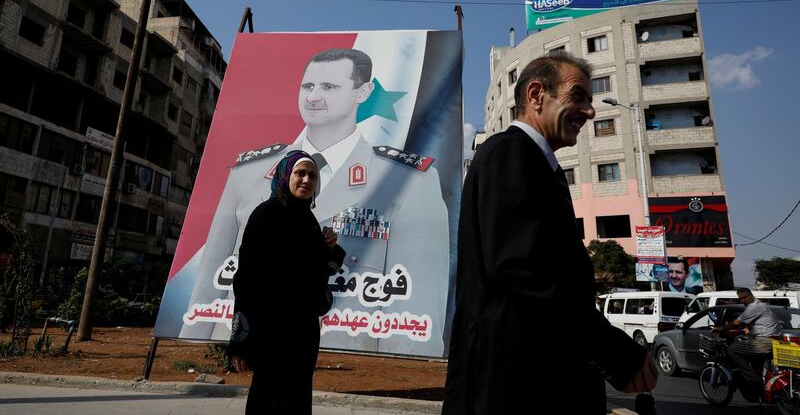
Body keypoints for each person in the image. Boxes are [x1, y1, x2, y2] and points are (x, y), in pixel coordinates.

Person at [182, 48, 449, 357]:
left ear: (363, 92)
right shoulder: (248, 172)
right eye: (308, 86)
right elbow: (212, 283)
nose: (313, 96)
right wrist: (218, 343)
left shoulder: (410, 182)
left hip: (329, 340)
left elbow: (415, 311)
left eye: (329, 87)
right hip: (262, 333)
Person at [442, 51, 658, 414]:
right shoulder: (509, 152)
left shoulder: (537, 162)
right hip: (517, 384)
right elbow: (521, 269)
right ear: (536, 95)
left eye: (591, 101)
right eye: (577, 97)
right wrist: (612, 349)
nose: (590, 112)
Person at [229, 150, 345, 414]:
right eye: (300, 173)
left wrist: (329, 248)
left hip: (302, 332)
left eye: (312, 176)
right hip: (272, 330)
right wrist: (241, 341)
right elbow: (246, 280)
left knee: (297, 399)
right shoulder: (266, 215)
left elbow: (316, 273)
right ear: (285, 176)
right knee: (269, 400)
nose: (306, 180)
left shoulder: (308, 220)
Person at [715, 288, 782, 400]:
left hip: (764, 342)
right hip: (771, 340)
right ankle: (760, 390)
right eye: (740, 298)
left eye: (745, 297)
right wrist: (748, 331)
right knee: (755, 359)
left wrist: (721, 328)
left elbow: (737, 322)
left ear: (751, 295)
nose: (743, 301)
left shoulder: (754, 307)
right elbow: (760, 325)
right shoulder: (761, 305)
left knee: (732, 350)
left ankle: (752, 380)